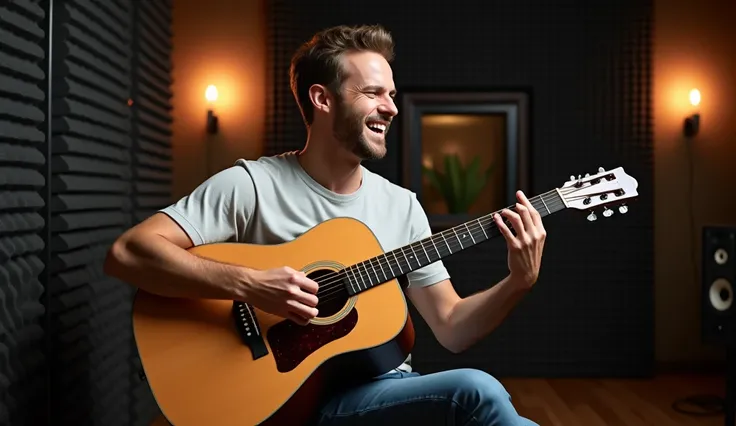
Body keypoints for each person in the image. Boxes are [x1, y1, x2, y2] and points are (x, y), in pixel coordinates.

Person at [104, 24, 545, 426]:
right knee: (476, 392)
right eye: (374, 93)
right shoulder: (251, 185)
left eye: (391, 94)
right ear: (322, 99)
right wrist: (249, 284)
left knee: (481, 399)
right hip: (281, 401)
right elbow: (129, 253)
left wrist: (518, 281)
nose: (390, 108)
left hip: (377, 392)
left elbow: (453, 327)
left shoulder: (401, 207)